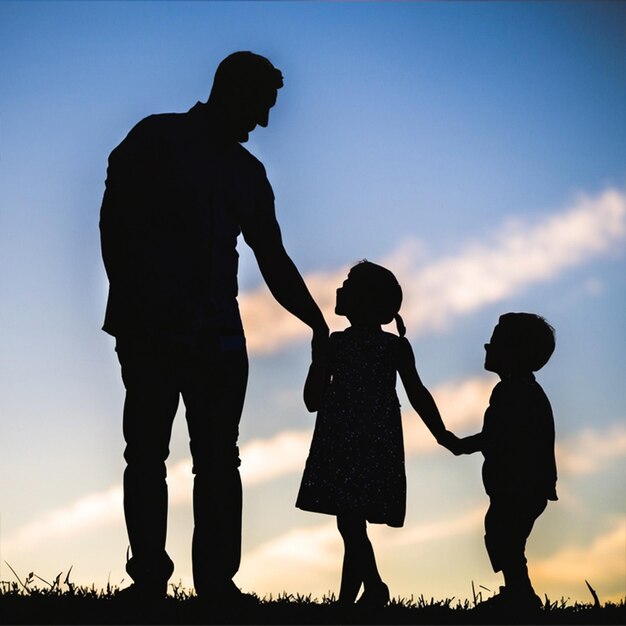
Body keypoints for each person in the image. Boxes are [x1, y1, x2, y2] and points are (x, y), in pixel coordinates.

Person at [99, 51, 328, 604]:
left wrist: (317, 324)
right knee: (147, 453)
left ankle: (217, 585)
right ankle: (149, 579)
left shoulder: (248, 174)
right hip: (152, 329)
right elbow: (114, 225)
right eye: (260, 105)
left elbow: (272, 256)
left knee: (220, 459)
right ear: (232, 91)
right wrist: (133, 306)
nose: (265, 122)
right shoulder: (155, 139)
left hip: (220, 337)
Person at [295, 261, 458, 607]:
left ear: (367, 301)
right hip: (358, 440)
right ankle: (358, 594)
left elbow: (417, 393)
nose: (339, 289)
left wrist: (442, 433)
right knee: (351, 522)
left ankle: (370, 589)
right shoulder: (367, 346)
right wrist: (319, 356)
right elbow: (313, 401)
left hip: (354, 441)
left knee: (350, 522)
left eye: (348, 285)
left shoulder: (351, 346)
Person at [451, 313, 557, 612]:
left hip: (520, 485)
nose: (487, 346)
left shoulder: (514, 391)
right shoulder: (522, 389)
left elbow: (495, 436)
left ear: (514, 352)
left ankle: (520, 596)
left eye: (495, 342)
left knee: (504, 536)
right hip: (523, 485)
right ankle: (518, 592)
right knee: (506, 537)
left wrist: (461, 445)